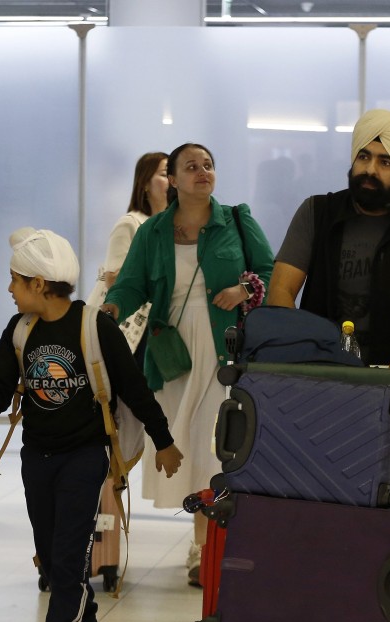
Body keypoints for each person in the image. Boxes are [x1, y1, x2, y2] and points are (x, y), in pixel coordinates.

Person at [0, 228, 184, 622]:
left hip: (85, 457)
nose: (9, 290)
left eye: (14, 281)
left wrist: (164, 440)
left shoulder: (94, 326)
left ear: (39, 284)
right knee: (49, 553)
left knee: (69, 554)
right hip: (36, 456)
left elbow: (133, 388)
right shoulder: (21, 329)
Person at [101, 142, 275, 585]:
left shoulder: (237, 219)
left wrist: (244, 290)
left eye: (209, 165)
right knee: (191, 448)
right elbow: (130, 285)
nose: (203, 172)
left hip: (226, 350)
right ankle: (204, 546)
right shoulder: (153, 232)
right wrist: (111, 310)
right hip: (174, 354)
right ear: (173, 180)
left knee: (216, 446)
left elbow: (272, 273)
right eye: (191, 167)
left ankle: (209, 548)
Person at [268, 109, 390, 442]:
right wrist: (298, 349)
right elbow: (281, 289)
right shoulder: (316, 212)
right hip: (319, 377)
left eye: (385, 162)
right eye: (364, 157)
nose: (370, 170)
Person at [86, 151, 169, 362]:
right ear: (145, 183)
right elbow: (113, 279)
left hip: (161, 322)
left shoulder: (173, 227)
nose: (170, 181)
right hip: (133, 326)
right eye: (164, 174)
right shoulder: (131, 223)